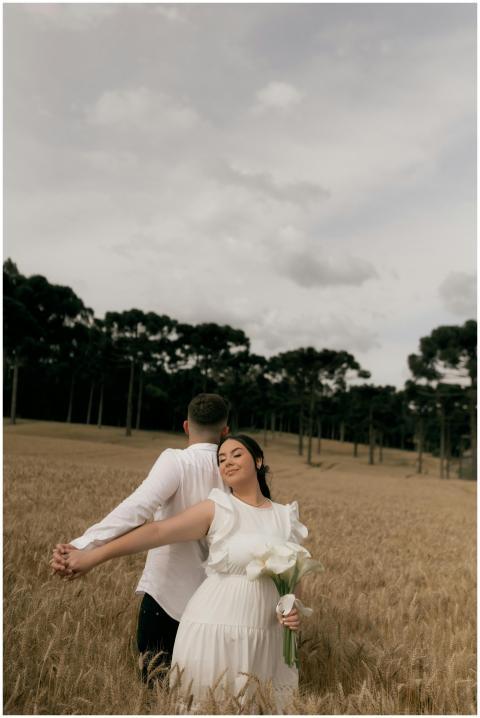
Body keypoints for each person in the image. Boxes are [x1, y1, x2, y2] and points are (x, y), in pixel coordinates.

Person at [57, 434, 306, 710]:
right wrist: (92, 556)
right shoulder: (218, 508)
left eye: (236, 454)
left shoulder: (285, 517)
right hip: (213, 630)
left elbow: (292, 576)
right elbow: (157, 531)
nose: (228, 463)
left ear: (258, 461)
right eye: (221, 459)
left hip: (266, 636)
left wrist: (292, 606)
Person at [51, 393, 231, 679]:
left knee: (154, 691)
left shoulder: (177, 461)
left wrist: (82, 545)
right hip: (220, 604)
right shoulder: (238, 471)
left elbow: (137, 507)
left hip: (166, 594)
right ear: (225, 431)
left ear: (186, 426)